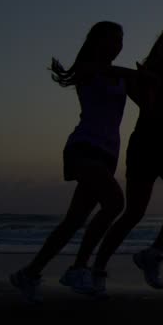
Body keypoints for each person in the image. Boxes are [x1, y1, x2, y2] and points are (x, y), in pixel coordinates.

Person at [8, 21, 134, 303]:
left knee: (73, 221)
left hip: (108, 154)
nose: (117, 45)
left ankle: (29, 273)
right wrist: (140, 74)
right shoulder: (88, 69)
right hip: (84, 148)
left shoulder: (121, 77)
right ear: (97, 41)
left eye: (120, 40)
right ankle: (79, 268)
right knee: (115, 202)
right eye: (112, 39)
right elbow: (107, 71)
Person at [92, 28, 163, 292]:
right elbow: (151, 108)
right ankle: (98, 269)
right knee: (134, 212)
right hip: (145, 148)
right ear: (160, 48)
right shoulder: (145, 74)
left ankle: (153, 254)